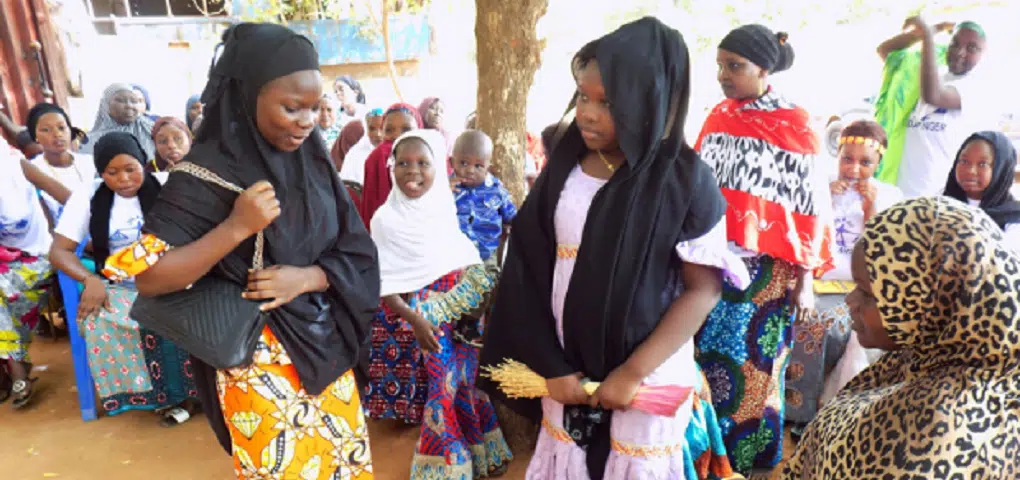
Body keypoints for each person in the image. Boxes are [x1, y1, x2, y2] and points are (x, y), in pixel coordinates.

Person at [479, 17, 750, 479]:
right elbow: (526, 267)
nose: (587, 112)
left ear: (649, 102)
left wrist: (632, 373)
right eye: (583, 96)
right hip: (564, 371)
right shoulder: (566, 163)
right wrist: (551, 365)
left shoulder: (685, 180)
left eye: (607, 102)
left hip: (646, 379)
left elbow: (701, 290)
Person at [110, 24, 378, 479]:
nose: (307, 121)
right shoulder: (202, 176)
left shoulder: (311, 162)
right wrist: (236, 227)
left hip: (326, 350)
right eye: (291, 108)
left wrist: (308, 277)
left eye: (314, 108)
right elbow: (151, 277)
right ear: (246, 95)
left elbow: (357, 252)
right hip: (257, 364)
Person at [779, 196, 1020, 479]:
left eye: (868, 294)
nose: (850, 301)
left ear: (934, 302)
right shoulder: (925, 358)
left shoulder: (934, 436)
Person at [693, 24, 833, 474]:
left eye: (734, 66)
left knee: (756, 368)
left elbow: (810, 209)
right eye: (720, 65)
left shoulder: (796, 124)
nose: (723, 75)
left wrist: (806, 281)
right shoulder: (717, 117)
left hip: (769, 274)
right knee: (708, 361)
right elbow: (698, 189)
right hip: (713, 265)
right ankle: (709, 455)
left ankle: (748, 460)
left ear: (764, 68)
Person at [369, 129, 513, 476]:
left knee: (465, 381)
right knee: (441, 386)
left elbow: (465, 253)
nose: (412, 171)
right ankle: (446, 467)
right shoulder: (384, 220)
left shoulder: (444, 205)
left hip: (466, 307)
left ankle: (479, 454)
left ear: (438, 167)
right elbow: (385, 283)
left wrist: (479, 300)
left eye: (422, 163)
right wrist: (414, 320)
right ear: (391, 166)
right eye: (402, 163)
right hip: (426, 315)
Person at [48, 132, 198, 424]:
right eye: (112, 173)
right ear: (101, 172)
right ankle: (158, 396)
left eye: (131, 169)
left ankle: (189, 395)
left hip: (174, 279)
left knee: (185, 310)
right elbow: (59, 252)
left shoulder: (168, 186)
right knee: (97, 319)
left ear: (144, 163)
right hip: (122, 286)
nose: (124, 179)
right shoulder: (88, 195)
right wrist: (89, 279)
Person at [785, 120, 899, 431]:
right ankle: (793, 410)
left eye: (866, 162)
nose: (854, 169)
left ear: (878, 163)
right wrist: (825, 200)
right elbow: (803, 236)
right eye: (847, 159)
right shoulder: (820, 187)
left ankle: (809, 416)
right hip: (813, 281)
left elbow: (878, 251)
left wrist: (870, 207)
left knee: (820, 326)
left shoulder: (888, 195)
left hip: (854, 287)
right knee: (798, 318)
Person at [876, 18, 992, 198]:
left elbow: (933, 96)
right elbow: (887, 51)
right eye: (955, 44)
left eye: (972, 48)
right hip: (896, 192)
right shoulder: (930, 72)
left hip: (936, 199)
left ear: (984, 54)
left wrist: (927, 36)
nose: (960, 52)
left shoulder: (976, 87)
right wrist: (932, 29)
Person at [0, 138, 55, 409]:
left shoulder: (15, 165)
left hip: (37, 258)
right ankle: (13, 365)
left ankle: (15, 369)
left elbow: (69, 197)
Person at [944, 130, 1020, 248]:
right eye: (964, 161)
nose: (970, 171)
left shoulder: (1013, 221)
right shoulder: (940, 205)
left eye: (982, 164)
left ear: (1001, 170)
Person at [451, 130, 516, 261]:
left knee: (486, 279)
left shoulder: (496, 190)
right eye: (463, 163)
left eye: (478, 166)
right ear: (452, 162)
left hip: (485, 256)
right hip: (453, 256)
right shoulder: (445, 188)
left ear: (488, 167)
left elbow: (512, 216)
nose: (470, 170)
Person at [26, 102, 96, 220]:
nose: (57, 134)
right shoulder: (33, 171)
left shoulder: (89, 162)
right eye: (46, 130)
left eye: (62, 128)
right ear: (35, 136)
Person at [359, 103, 422, 227]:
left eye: (406, 129)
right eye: (389, 130)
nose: (397, 136)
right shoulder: (378, 157)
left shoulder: (430, 156)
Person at [80, 83, 157, 160]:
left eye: (133, 101)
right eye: (121, 100)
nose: (129, 105)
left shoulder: (152, 130)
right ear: (106, 105)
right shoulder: (87, 142)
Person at [338, 107, 385, 185]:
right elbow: (349, 187)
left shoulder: (396, 151)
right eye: (372, 129)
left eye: (382, 128)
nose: (378, 134)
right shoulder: (355, 154)